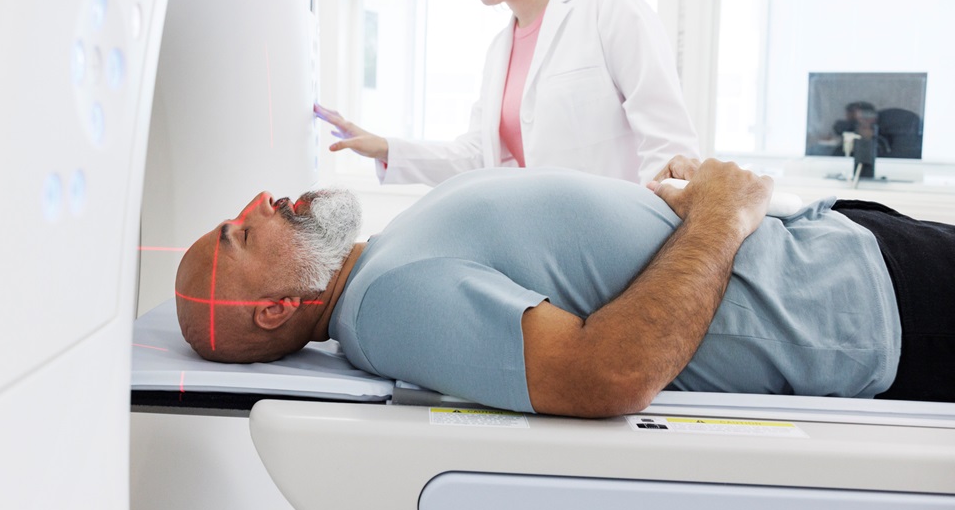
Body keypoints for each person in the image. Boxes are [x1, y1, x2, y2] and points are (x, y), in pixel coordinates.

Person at [174, 158, 954, 418]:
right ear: (275, 308)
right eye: (242, 233)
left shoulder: (385, 255)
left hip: (847, 248)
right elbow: (606, 375)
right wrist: (720, 214)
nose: (261, 204)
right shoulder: (384, 307)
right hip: (867, 305)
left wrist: (676, 207)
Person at [314, 0, 698, 186]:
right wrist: (386, 148)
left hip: (622, 241)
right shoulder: (500, 50)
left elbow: (669, 148)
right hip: (543, 243)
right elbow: (478, 157)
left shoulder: (607, 5)